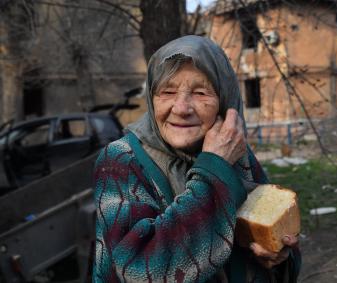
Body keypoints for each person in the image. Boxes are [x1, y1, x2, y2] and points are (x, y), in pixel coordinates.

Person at [93, 35, 301, 282]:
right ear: (151, 97)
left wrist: (276, 256)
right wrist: (215, 167)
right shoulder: (120, 160)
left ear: (225, 100)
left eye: (201, 92)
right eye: (167, 91)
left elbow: (272, 237)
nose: (181, 108)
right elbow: (140, 270)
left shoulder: (233, 149)